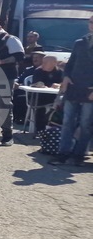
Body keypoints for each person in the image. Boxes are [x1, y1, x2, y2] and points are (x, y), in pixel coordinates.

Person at [49, 14, 93, 166]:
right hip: (73, 88)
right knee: (67, 122)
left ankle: (79, 155)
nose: (92, 25)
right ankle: (63, 154)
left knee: (86, 124)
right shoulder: (80, 42)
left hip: (90, 90)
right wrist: (66, 77)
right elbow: (70, 63)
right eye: (91, 22)